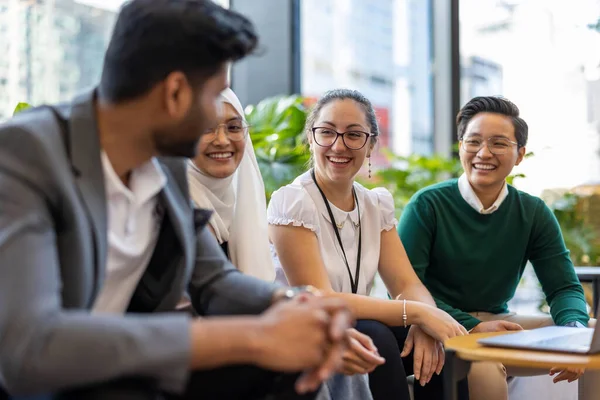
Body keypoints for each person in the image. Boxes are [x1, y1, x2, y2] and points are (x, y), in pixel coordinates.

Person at [0, 1, 354, 399]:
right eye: (215, 95)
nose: (216, 123)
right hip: (51, 381)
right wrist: (253, 337)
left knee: (293, 356)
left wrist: (297, 303)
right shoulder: (26, 153)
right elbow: (29, 347)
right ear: (174, 93)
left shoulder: (164, 164)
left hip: (131, 370)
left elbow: (213, 281)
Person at [267, 88, 470, 400]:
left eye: (354, 135)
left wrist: (426, 320)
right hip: (306, 330)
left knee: (437, 341)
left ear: (371, 143)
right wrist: (417, 313)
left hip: (357, 327)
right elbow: (322, 299)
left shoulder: (375, 204)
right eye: (327, 132)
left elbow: (406, 283)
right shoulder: (292, 202)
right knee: (376, 338)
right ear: (311, 137)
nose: (339, 145)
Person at [398, 95, 591, 400]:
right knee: (485, 362)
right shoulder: (428, 204)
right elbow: (403, 287)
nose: (483, 153)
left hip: (501, 325)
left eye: (499, 143)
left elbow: (563, 288)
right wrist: (473, 327)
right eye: (473, 141)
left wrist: (575, 334)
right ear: (461, 147)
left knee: (591, 336)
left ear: (519, 155)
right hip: (443, 326)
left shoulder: (533, 211)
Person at [187, 87, 375, 400]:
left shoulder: (238, 203)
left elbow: (220, 283)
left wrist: (299, 303)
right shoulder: (174, 202)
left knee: (336, 340)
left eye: (233, 127)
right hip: (182, 350)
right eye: (206, 127)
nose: (221, 139)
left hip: (231, 336)